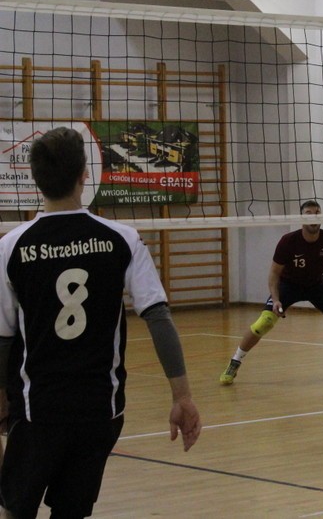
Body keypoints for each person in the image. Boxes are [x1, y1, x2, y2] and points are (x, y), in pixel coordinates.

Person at [0, 127, 201, 518]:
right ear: (84, 175)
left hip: (38, 409)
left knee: (15, 510)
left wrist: (1, 400)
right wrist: (182, 397)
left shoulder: (11, 246)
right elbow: (158, 317)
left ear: (36, 180)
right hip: (99, 409)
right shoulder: (122, 238)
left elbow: (4, 339)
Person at [219, 200, 323, 385]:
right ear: (301, 218)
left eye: (317, 213)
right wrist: (276, 300)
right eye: (308, 213)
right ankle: (235, 361)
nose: (313, 217)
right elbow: (274, 274)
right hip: (288, 285)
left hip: (316, 286)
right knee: (264, 323)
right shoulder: (288, 241)